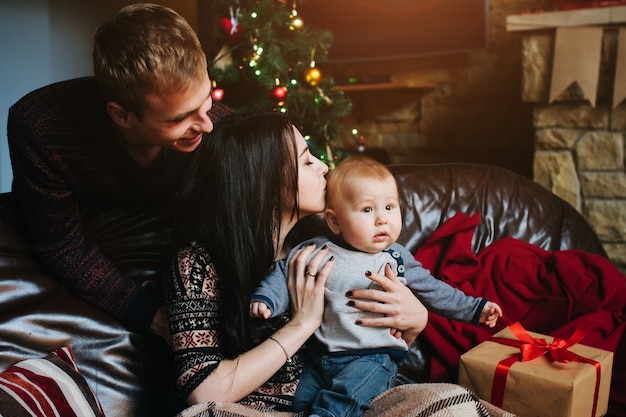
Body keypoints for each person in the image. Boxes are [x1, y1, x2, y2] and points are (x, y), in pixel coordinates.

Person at [164, 113, 430, 415]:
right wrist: (303, 323)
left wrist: (416, 321)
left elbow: (374, 350)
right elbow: (203, 392)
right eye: (306, 161)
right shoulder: (198, 262)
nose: (324, 167)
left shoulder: (330, 240)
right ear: (264, 180)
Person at [6, 3, 229, 341]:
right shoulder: (40, 128)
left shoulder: (224, 129)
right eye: (178, 118)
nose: (206, 125)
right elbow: (61, 248)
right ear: (121, 115)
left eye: (206, 99)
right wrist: (154, 317)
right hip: (76, 244)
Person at [250, 156, 503, 417]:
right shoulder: (318, 249)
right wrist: (267, 299)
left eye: (390, 207)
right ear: (334, 221)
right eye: (367, 210)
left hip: (373, 357)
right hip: (321, 355)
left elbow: (434, 290)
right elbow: (284, 270)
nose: (382, 220)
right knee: (301, 401)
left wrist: (475, 308)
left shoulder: (396, 257)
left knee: (347, 397)